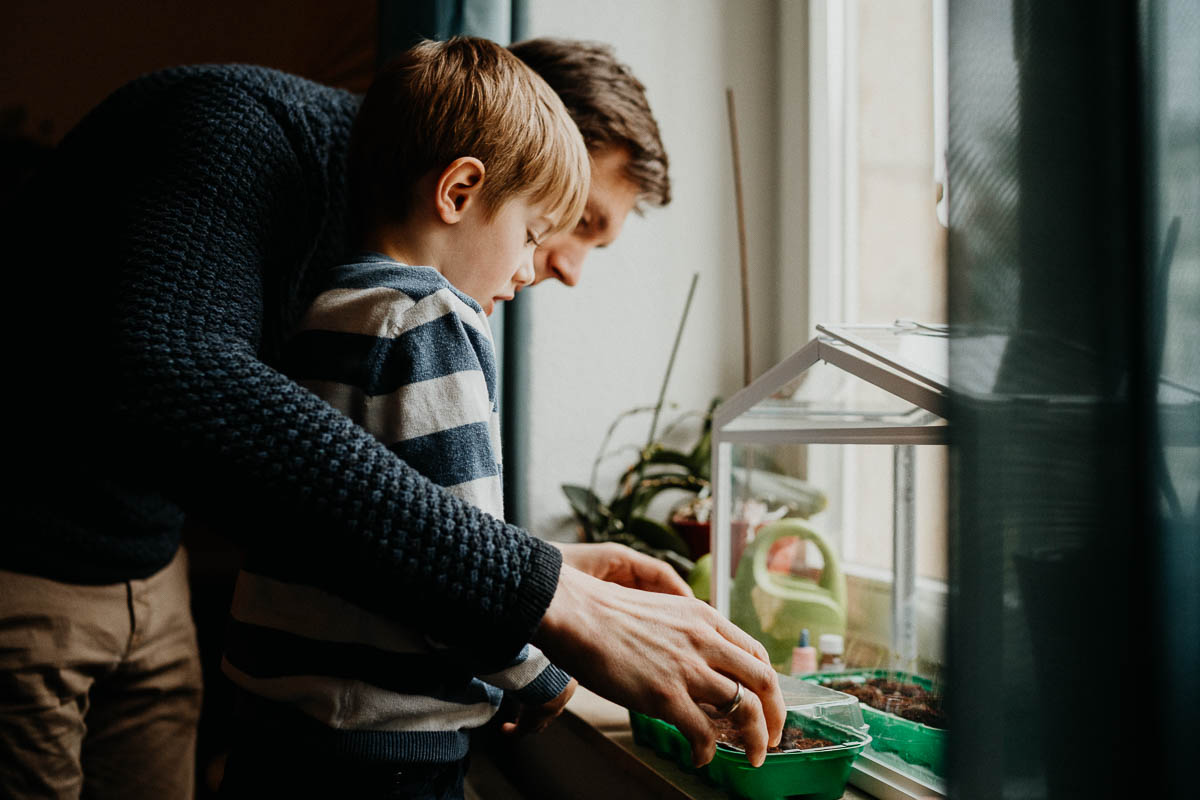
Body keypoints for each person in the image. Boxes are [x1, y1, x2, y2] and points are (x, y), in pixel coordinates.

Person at [1, 38, 782, 800]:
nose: (566, 267)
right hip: (26, 569)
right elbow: (174, 374)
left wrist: (518, 563)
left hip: (151, 563)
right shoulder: (238, 132)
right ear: (477, 170)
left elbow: (328, 492)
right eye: (567, 221)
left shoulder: (377, 285)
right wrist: (542, 600)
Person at [216, 37, 589, 797]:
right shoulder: (433, 322)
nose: (526, 271)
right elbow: (456, 568)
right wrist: (539, 674)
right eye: (529, 235)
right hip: (377, 754)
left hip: (269, 728)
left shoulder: (323, 309)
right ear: (458, 192)